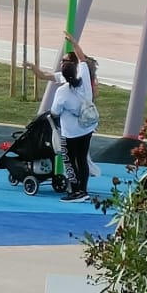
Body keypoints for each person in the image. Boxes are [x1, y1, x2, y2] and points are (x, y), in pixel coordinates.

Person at [49, 48, 100, 200]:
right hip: (87, 128)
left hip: (71, 132)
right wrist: (74, 43)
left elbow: (55, 111)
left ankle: (75, 191)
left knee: (70, 161)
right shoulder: (85, 82)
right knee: (82, 159)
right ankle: (83, 190)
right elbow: (82, 59)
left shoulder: (62, 92)